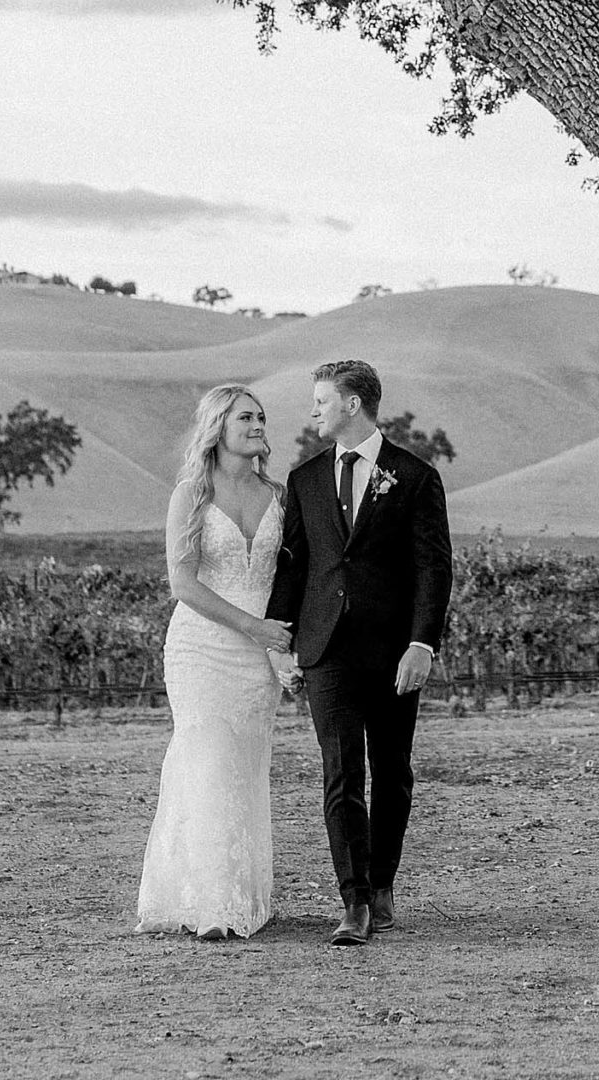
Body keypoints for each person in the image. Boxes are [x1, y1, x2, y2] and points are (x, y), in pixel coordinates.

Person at [266, 358, 453, 946]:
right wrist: (280, 636)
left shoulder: (415, 477)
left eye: (321, 400)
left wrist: (421, 643)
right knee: (340, 772)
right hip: (327, 650)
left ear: (352, 404)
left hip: (396, 650)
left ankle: (383, 882)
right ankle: (354, 902)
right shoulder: (305, 479)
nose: (314, 411)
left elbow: (433, 568)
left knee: (392, 773)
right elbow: (292, 566)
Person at [136, 383, 292, 938]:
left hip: (260, 659)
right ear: (218, 426)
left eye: (261, 417)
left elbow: (291, 579)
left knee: (246, 768)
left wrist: (281, 647)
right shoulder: (191, 494)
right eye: (246, 416)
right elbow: (182, 584)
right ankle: (208, 904)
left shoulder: (279, 494)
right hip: (201, 649)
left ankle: (242, 895)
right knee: (208, 760)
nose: (257, 425)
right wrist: (254, 628)